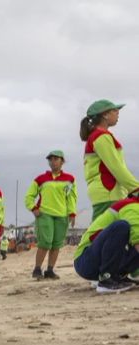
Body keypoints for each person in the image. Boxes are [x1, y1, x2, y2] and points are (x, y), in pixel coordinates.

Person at [80, 99, 139, 221]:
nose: (118, 113)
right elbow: (116, 167)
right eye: (114, 110)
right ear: (105, 115)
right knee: (99, 234)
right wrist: (135, 188)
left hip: (107, 192)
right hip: (108, 191)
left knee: (104, 233)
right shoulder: (101, 136)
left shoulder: (99, 136)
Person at [24, 150, 78, 280]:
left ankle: (50, 270)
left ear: (62, 161)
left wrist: (72, 213)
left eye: (56, 159)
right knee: (45, 243)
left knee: (56, 244)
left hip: (62, 215)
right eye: (51, 159)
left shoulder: (70, 179)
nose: (53, 162)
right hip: (45, 214)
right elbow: (29, 196)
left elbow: (71, 197)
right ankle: (37, 270)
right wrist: (33, 208)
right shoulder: (40, 179)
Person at [73, 198, 139, 293]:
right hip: (85, 261)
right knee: (121, 226)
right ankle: (106, 280)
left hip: (99, 259)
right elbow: (137, 242)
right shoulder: (133, 207)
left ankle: (117, 277)